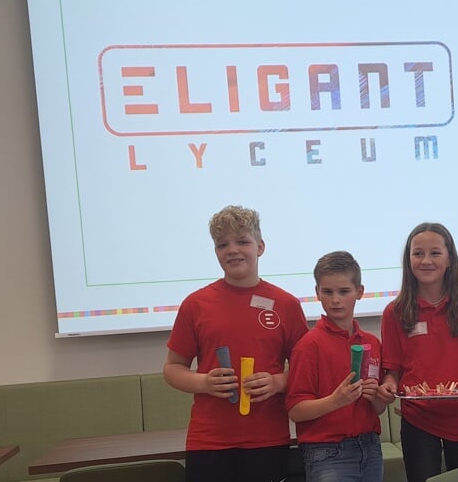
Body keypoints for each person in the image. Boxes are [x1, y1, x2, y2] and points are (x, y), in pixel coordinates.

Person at [163, 205, 308, 482]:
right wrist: (204, 383)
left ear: (260, 247)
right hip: (209, 440)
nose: (232, 250)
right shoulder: (196, 304)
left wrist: (277, 382)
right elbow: (172, 368)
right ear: (216, 251)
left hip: (267, 437)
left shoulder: (286, 305)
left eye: (242, 241)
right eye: (222, 244)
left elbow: (307, 370)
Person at [376, 223, 458, 482]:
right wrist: (387, 385)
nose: (426, 260)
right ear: (408, 260)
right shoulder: (394, 312)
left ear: (450, 258)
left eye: (435, 253)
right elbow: (392, 373)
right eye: (418, 253)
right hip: (418, 421)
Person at [285, 251, 386, 482]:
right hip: (327, 452)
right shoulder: (308, 346)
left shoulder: (372, 343)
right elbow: (295, 410)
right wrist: (335, 401)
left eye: (344, 291)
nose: (335, 300)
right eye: (327, 292)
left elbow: (378, 409)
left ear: (359, 292)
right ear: (317, 293)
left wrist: (376, 397)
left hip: (370, 446)